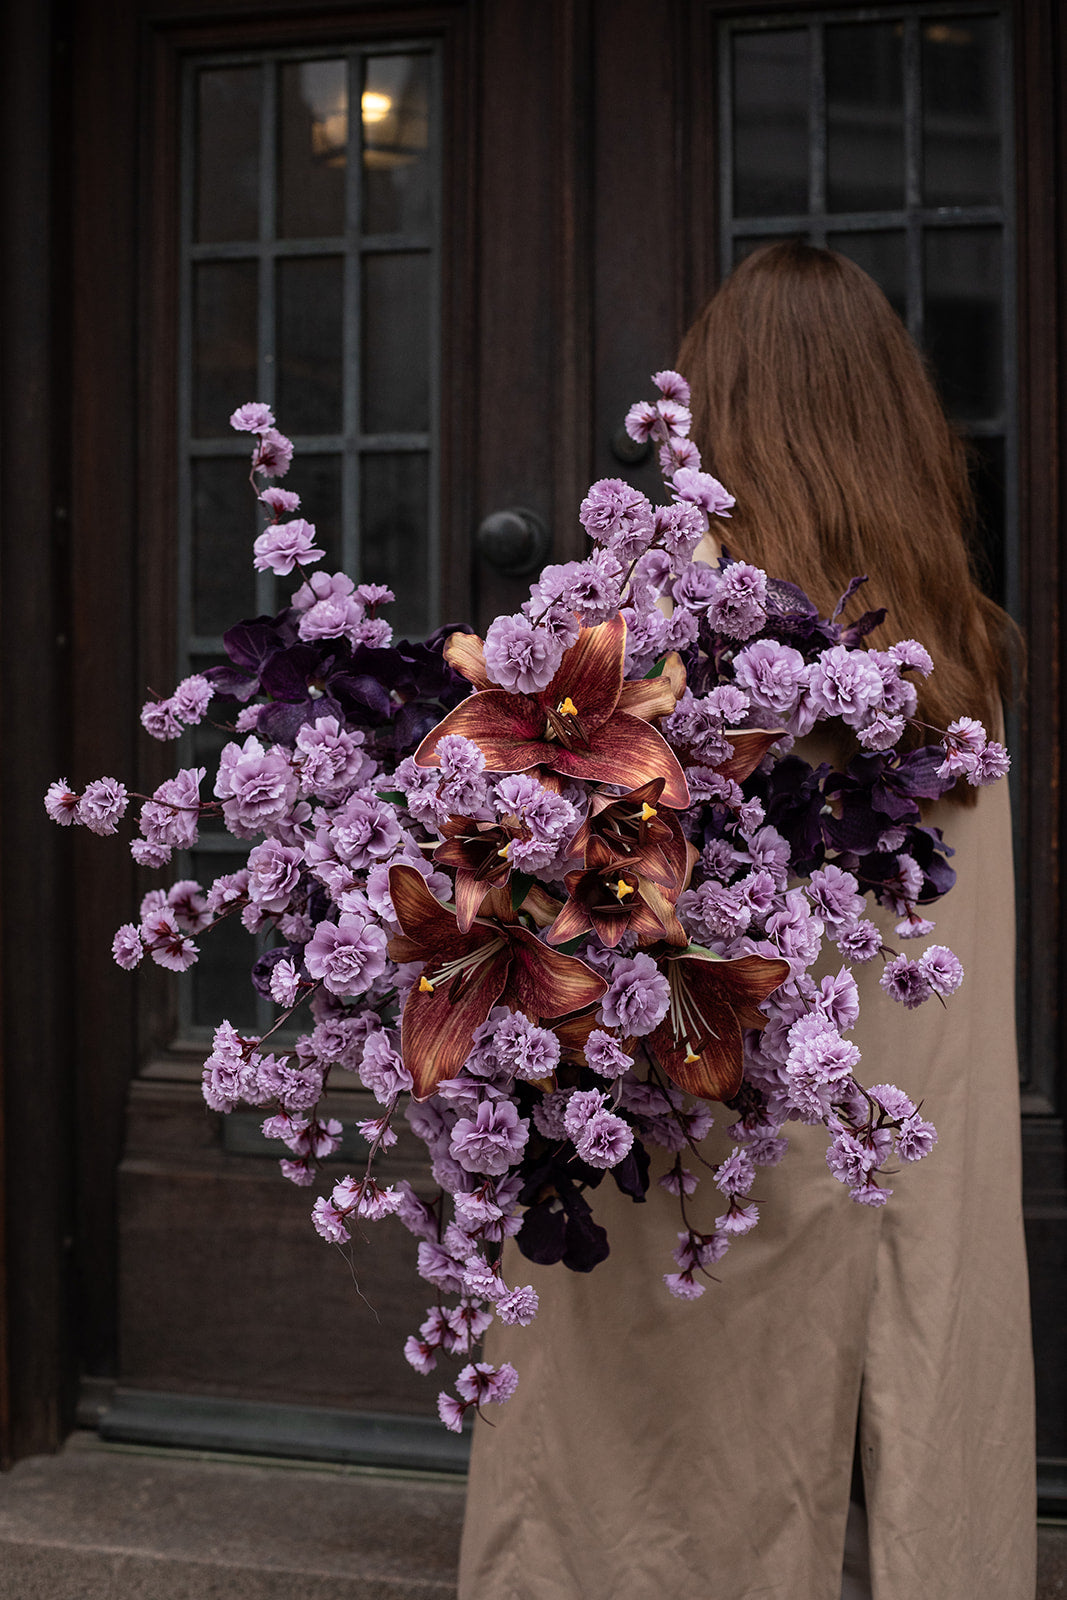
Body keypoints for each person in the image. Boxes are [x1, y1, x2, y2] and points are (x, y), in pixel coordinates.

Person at [457, 242, 1036, 1600]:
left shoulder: (668, 631)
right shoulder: (953, 651)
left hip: (705, 1132)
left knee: (658, 1461)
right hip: (885, 1129)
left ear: (714, 417)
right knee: (908, 1392)